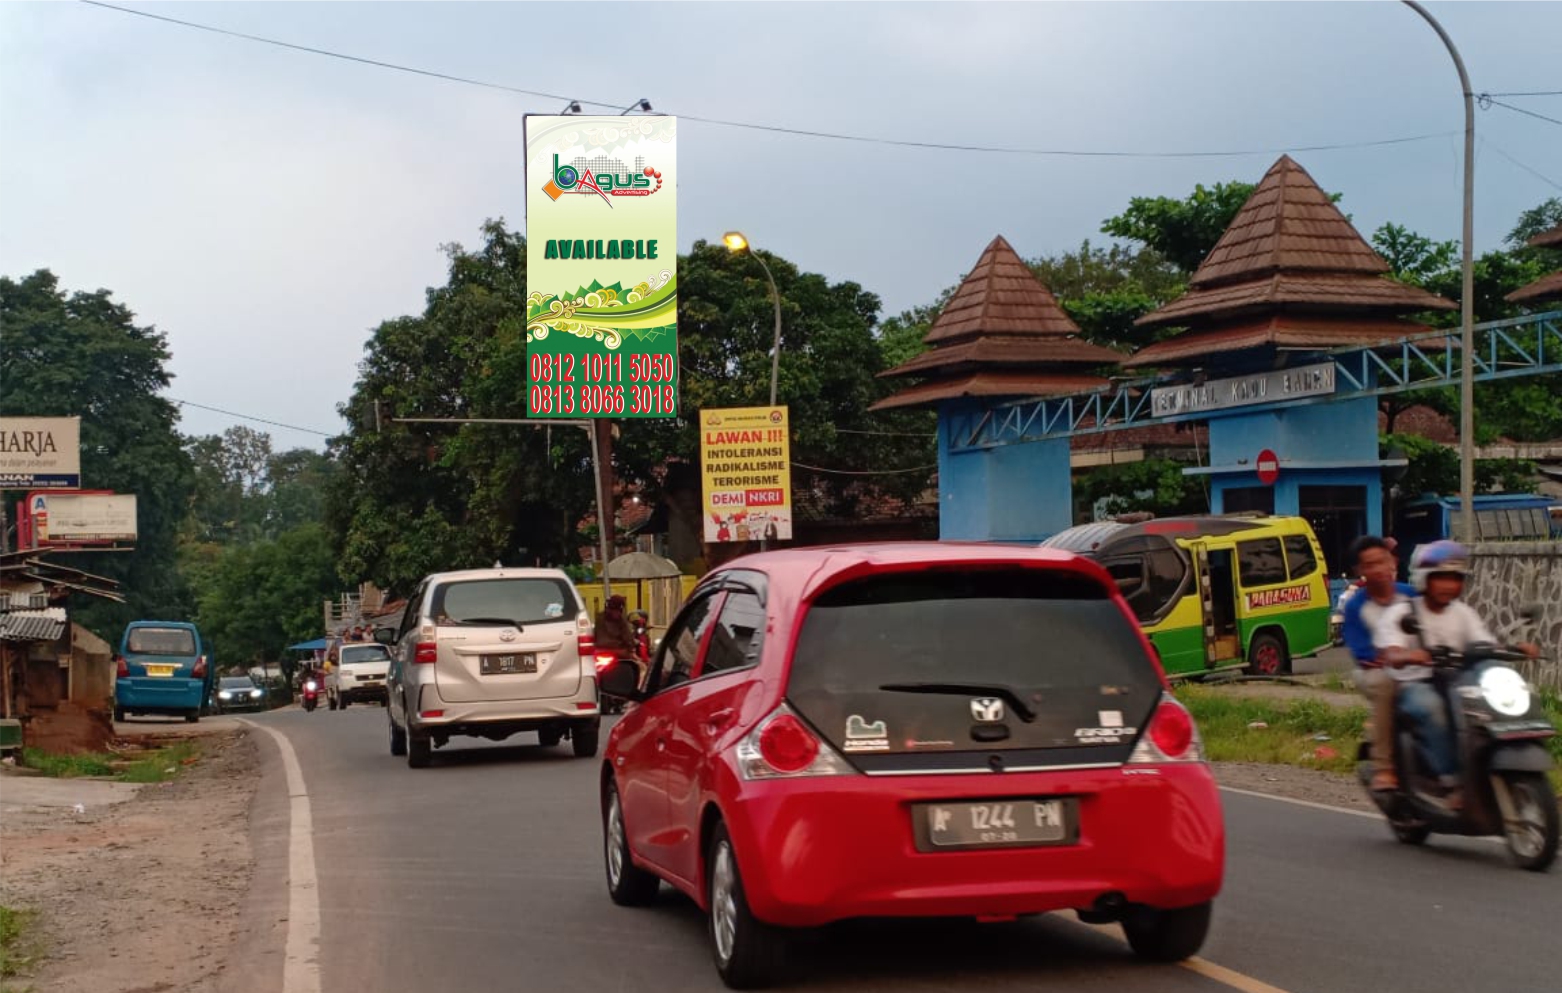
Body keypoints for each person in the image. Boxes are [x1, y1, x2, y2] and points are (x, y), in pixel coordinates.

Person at [1374, 540, 1538, 803]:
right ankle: (1451, 779)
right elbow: (1391, 652)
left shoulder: (1463, 613)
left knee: (1491, 689)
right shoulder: (1402, 612)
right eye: (1441, 577)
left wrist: (1515, 648)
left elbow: (1483, 643)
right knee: (1431, 707)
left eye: (1455, 578)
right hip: (1416, 683)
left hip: (1456, 680)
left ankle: (1489, 763)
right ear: (1424, 578)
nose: (1449, 585)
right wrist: (1410, 654)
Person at [1339, 536, 1417, 792]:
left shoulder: (1410, 595)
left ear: (1392, 562)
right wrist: (1394, 657)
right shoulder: (1356, 607)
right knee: (1386, 686)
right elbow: (1365, 655)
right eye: (1369, 564)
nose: (1378, 569)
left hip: (1418, 667)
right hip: (1374, 672)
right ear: (1360, 571)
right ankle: (1384, 766)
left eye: (1382, 561)